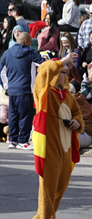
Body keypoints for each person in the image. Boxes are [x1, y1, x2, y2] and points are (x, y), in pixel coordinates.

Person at [31, 56, 84, 219]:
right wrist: (64, 60)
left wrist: (76, 122)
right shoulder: (44, 93)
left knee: (60, 188)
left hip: (66, 149)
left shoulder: (68, 95)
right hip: (49, 149)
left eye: (66, 73)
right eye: (61, 72)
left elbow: (78, 115)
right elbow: (44, 71)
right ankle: (47, 217)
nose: (65, 76)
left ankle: (42, 216)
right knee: (48, 188)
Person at [0, 32, 43, 150]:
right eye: (30, 42)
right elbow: (42, 64)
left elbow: (1, 72)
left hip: (12, 91)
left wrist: (7, 87)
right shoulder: (31, 52)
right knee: (25, 115)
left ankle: (12, 140)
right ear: (26, 42)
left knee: (13, 115)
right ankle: (23, 141)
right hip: (26, 90)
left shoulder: (6, 53)